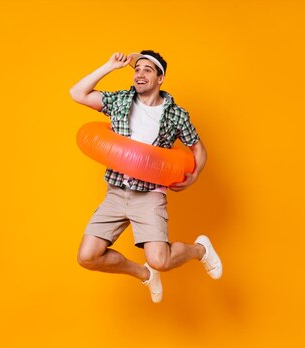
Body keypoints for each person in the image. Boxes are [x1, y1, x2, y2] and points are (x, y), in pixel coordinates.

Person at [69, 50, 222, 303]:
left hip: (150, 196)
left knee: (160, 260)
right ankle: (143, 273)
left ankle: (200, 249)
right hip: (116, 192)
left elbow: (198, 148)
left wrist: (193, 176)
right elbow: (77, 93)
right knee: (87, 256)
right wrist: (109, 66)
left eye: (147, 70)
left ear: (160, 78)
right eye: (137, 69)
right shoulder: (119, 101)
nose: (139, 74)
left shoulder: (176, 115)